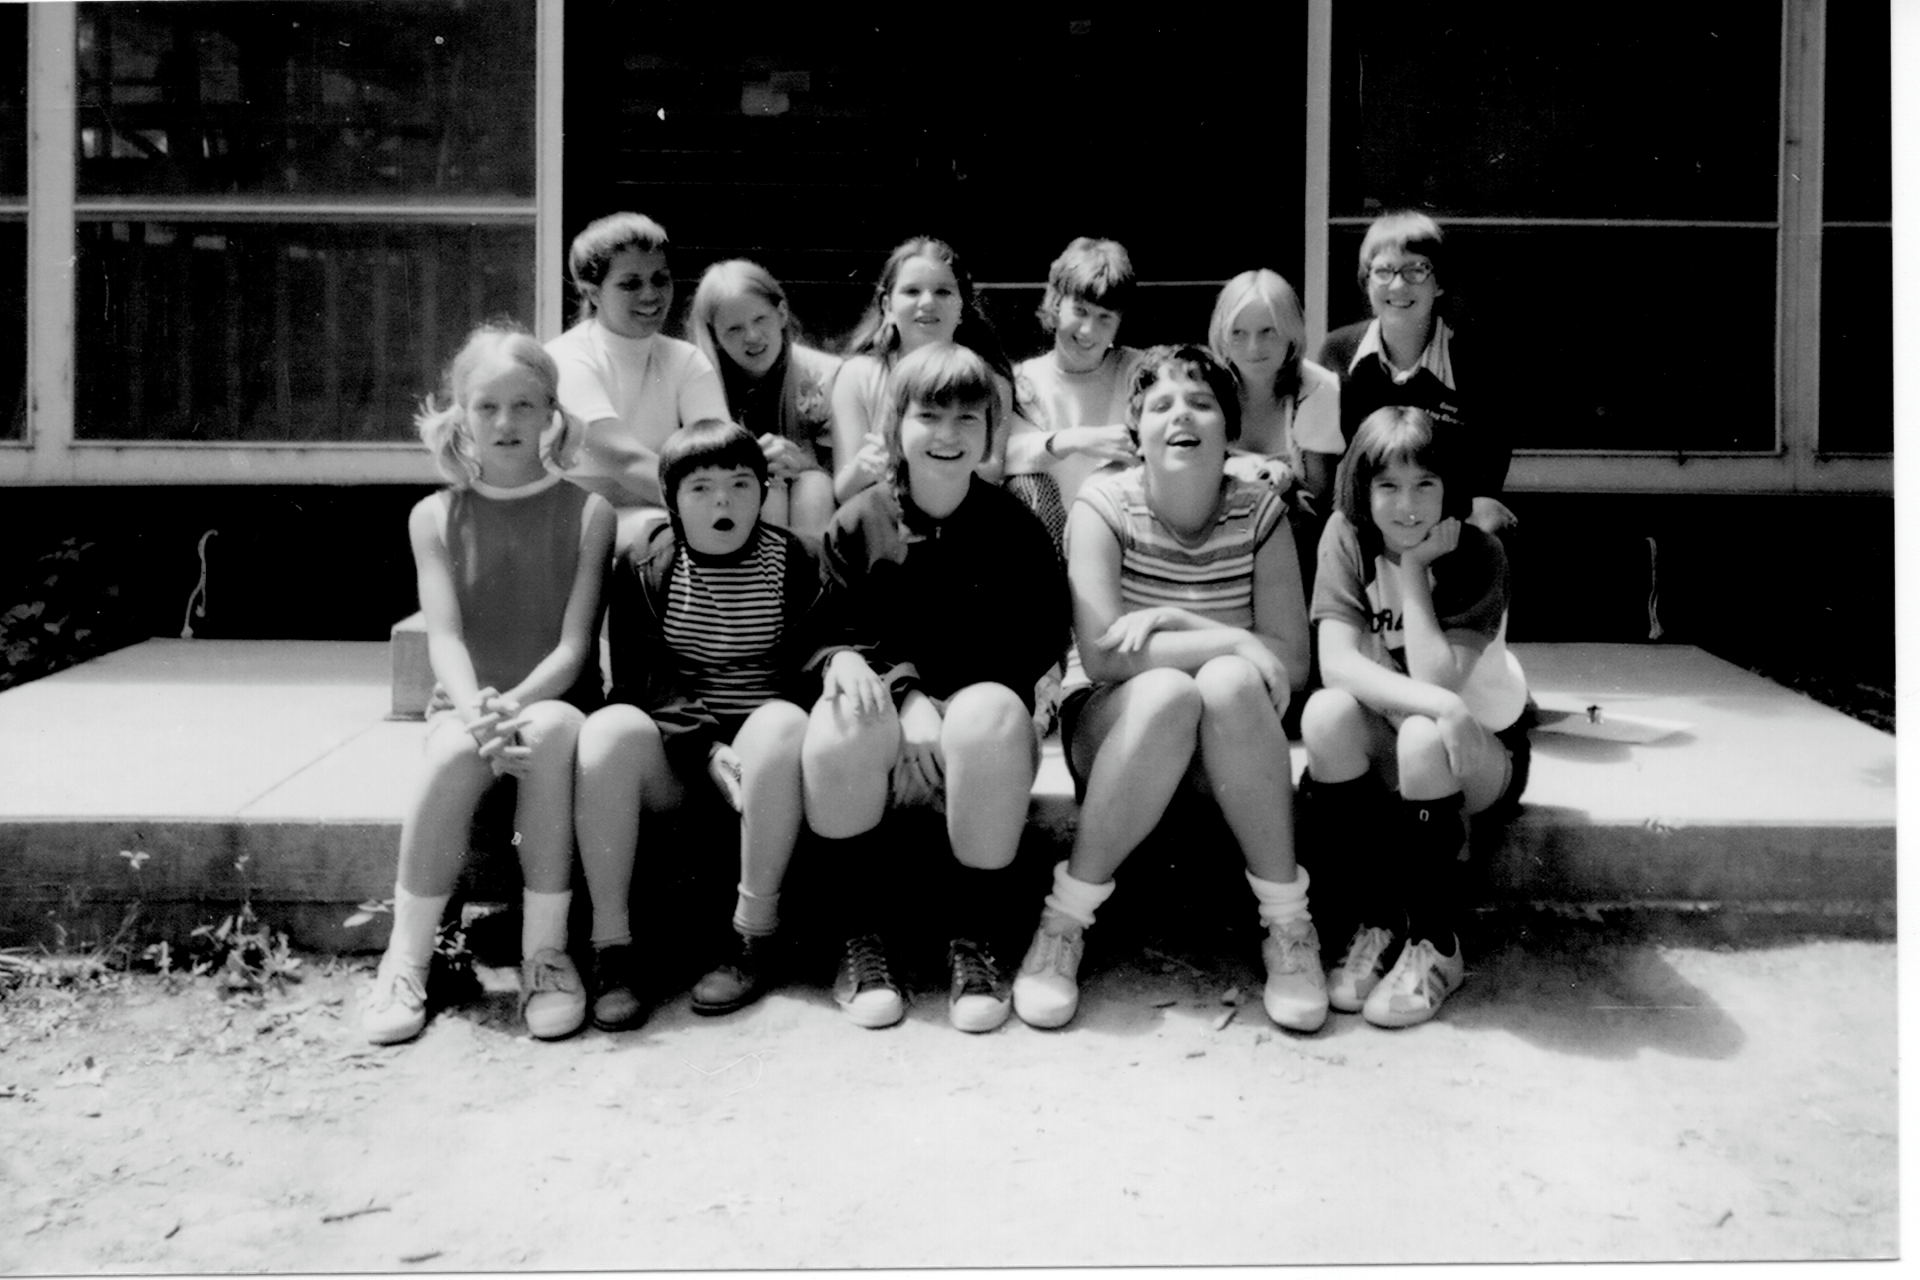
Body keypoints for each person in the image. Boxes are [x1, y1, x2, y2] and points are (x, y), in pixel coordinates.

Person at [1010, 345, 1326, 1034]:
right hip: (1117, 731)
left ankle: (1289, 928)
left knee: (1231, 682)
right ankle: (1063, 922)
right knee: (1170, 692)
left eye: (1202, 403)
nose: (1181, 415)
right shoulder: (1103, 502)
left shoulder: (1259, 513)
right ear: (1137, 432)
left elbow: (1291, 664)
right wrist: (1236, 637)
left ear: (1228, 427)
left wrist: (1197, 633)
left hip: (1227, 744)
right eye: (1160, 405)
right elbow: (1102, 656)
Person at [362, 324, 617, 1046]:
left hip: (556, 700)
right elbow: (443, 636)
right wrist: (478, 711)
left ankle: (545, 954)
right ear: (460, 417)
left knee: (543, 736)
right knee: (447, 753)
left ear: (551, 415)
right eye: (487, 407)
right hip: (469, 703)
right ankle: (405, 960)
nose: (506, 423)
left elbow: (574, 646)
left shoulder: (587, 513)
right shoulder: (435, 516)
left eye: (525, 405)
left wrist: (514, 707)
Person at [804, 342, 1069, 1033]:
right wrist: (905, 696)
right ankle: (860, 941)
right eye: (930, 415)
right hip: (885, 743)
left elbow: (1034, 640)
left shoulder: (1015, 528)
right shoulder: (859, 521)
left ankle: (972, 939)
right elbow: (831, 632)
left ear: (991, 432)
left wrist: (945, 710)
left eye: (968, 418)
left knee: (986, 712)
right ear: (895, 425)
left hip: (977, 747)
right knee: (844, 712)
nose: (948, 435)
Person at [571, 420, 826, 1030]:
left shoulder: (793, 560)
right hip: (683, 753)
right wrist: (706, 746)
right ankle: (613, 949)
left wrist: (746, 746)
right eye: (701, 488)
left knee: (783, 721)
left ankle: (752, 939)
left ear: (764, 493)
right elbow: (639, 676)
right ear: (672, 501)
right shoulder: (644, 563)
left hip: (769, 760)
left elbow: (812, 662)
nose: (722, 502)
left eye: (741, 485)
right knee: (607, 733)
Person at [1300, 405, 1533, 1029]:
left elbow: (1436, 679)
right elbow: (1337, 665)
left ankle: (1437, 944)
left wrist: (1411, 571)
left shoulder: (1480, 553)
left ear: (1448, 488)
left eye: (1425, 485)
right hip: (1415, 731)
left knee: (1426, 737)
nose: (1408, 507)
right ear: (1361, 488)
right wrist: (1437, 706)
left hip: (1481, 757)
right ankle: (1377, 921)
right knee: (1326, 715)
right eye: (1388, 487)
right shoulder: (1345, 537)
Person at [1315, 212, 1516, 537]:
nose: (1398, 284)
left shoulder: (1477, 363)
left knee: (1489, 519)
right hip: (1364, 521)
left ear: (1440, 284)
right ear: (1366, 282)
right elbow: (1324, 472)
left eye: (1416, 269)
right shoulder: (1337, 354)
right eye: (1383, 271)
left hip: (1447, 525)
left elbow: (1485, 479)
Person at [544, 212, 728, 547]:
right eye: (630, 284)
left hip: (666, 507)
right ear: (593, 292)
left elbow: (718, 457)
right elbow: (625, 460)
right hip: (584, 521)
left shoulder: (685, 359)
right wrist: (714, 505)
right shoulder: (567, 359)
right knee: (670, 539)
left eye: (660, 279)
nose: (650, 295)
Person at [829, 237, 1021, 503]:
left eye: (943, 292)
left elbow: (990, 471)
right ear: (888, 308)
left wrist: (910, 458)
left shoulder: (992, 381)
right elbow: (843, 490)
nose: (928, 302)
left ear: (963, 306)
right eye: (912, 291)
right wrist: (864, 468)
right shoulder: (857, 377)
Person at [1005, 236, 1143, 550]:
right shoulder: (1025, 379)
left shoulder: (1137, 371)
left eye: (1104, 317)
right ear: (1056, 303)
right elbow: (1001, 457)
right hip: (1047, 548)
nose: (1087, 331)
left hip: (1124, 542)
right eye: (1079, 311)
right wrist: (1074, 439)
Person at [687, 260, 841, 541]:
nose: (753, 337)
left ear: (781, 313)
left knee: (815, 486)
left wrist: (806, 464)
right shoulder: (700, 383)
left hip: (812, 499)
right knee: (770, 491)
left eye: (760, 319)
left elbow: (842, 469)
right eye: (734, 329)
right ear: (715, 337)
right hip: (739, 500)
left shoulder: (826, 375)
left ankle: (811, 582)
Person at [1208, 269, 1343, 526]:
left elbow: (1318, 498)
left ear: (1290, 333)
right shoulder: (1205, 387)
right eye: (1238, 333)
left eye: (1267, 331)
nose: (1253, 348)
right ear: (1222, 336)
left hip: (1291, 532)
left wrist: (1288, 482)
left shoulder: (1316, 387)